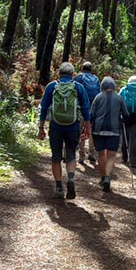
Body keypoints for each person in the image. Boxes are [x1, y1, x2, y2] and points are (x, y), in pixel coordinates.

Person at [39, 62, 92, 199]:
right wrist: (87, 127)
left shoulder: (52, 86)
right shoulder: (78, 87)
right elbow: (86, 107)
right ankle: (70, 179)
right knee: (71, 154)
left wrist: (41, 128)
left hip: (55, 126)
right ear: (73, 74)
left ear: (59, 74)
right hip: (73, 126)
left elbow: (44, 108)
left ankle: (58, 187)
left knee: (56, 157)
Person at [89, 77, 129, 192]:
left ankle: (102, 178)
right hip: (114, 130)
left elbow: (92, 114)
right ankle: (107, 177)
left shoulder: (98, 97)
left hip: (98, 130)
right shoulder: (119, 98)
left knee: (101, 154)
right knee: (111, 155)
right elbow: (126, 115)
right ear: (113, 87)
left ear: (103, 86)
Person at [74, 62, 101, 164]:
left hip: (82, 108)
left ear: (82, 68)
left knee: (81, 130)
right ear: (91, 69)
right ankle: (92, 153)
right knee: (92, 129)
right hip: (94, 108)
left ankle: (81, 155)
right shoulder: (96, 79)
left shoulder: (79, 78)